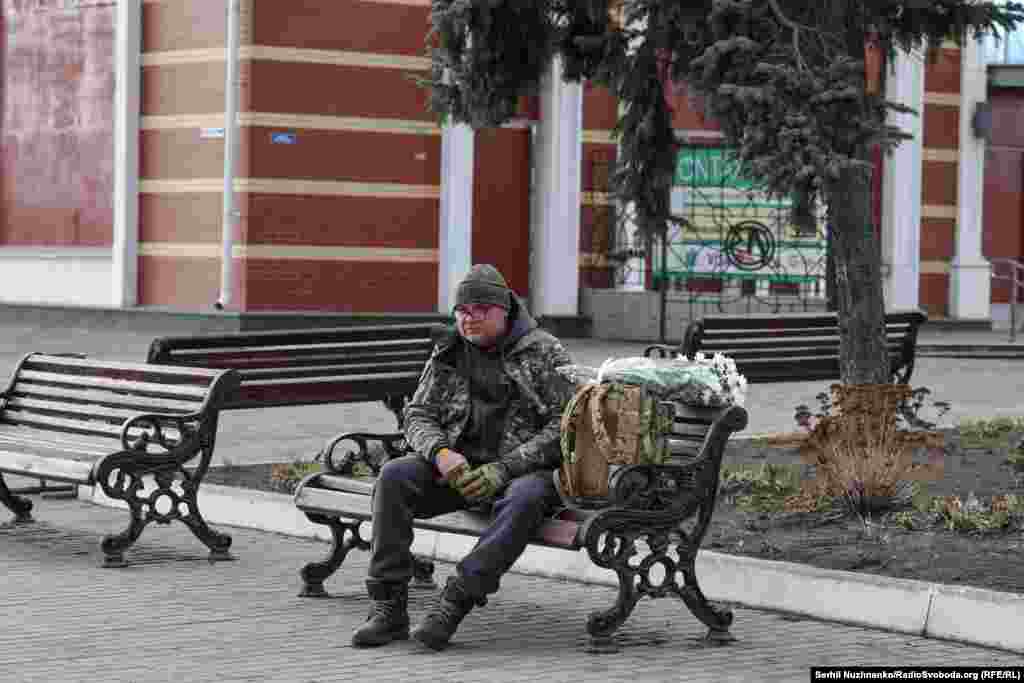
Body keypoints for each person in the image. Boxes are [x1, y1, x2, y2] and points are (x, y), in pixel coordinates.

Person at [351, 264, 573, 651]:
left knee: (527, 497)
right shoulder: (449, 350)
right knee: (394, 475)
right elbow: (418, 413)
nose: (469, 319)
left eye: (480, 310)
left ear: (504, 310)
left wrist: (505, 468)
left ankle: (454, 602)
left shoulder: (544, 351)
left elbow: (566, 424)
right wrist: (440, 453)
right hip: (458, 472)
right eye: (462, 311)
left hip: (520, 474)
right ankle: (388, 608)